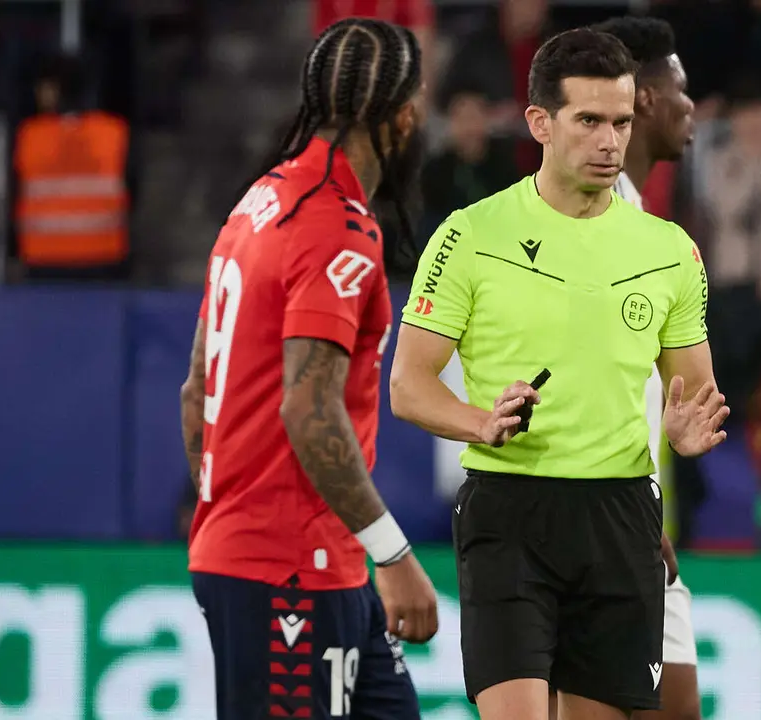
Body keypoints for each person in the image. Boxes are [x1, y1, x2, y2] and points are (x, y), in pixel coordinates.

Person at [388, 27, 728, 720]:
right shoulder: (468, 235)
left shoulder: (669, 250)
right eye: (590, 121)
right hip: (509, 512)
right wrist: (478, 422)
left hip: (620, 516)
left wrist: (690, 431)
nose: (611, 142)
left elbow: (695, 393)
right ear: (541, 122)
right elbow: (408, 386)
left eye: (622, 122)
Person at [180, 18, 437, 720]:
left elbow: (195, 387)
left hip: (300, 559)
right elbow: (309, 407)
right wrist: (394, 554)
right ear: (403, 116)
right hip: (290, 567)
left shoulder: (259, 201)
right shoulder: (336, 227)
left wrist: (225, 511)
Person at [593, 16, 702, 720]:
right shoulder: (592, 223)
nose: (694, 107)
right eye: (682, 90)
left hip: (634, 515)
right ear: (644, 102)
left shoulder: (645, 221)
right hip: (597, 518)